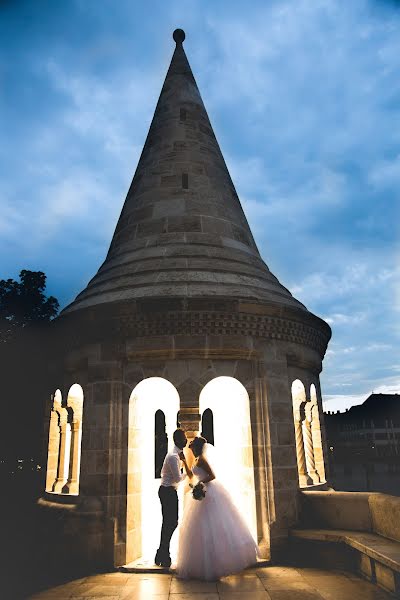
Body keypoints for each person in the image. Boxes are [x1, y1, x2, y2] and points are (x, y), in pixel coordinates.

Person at [176, 436, 259, 580]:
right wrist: (183, 461)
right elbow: (191, 474)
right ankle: (202, 564)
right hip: (201, 491)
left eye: (193, 444)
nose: (191, 444)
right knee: (199, 528)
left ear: (197, 446)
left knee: (214, 525)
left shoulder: (202, 459)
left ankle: (217, 563)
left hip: (209, 491)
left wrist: (200, 484)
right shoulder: (196, 459)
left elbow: (212, 476)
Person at [155, 428, 192, 567]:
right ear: (177, 440)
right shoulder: (173, 457)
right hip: (167, 491)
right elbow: (177, 479)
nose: (186, 440)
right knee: (171, 522)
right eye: (183, 438)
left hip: (169, 491)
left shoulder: (177, 456)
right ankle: (163, 553)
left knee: (169, 522)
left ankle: (162, 553)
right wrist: (189, 471)